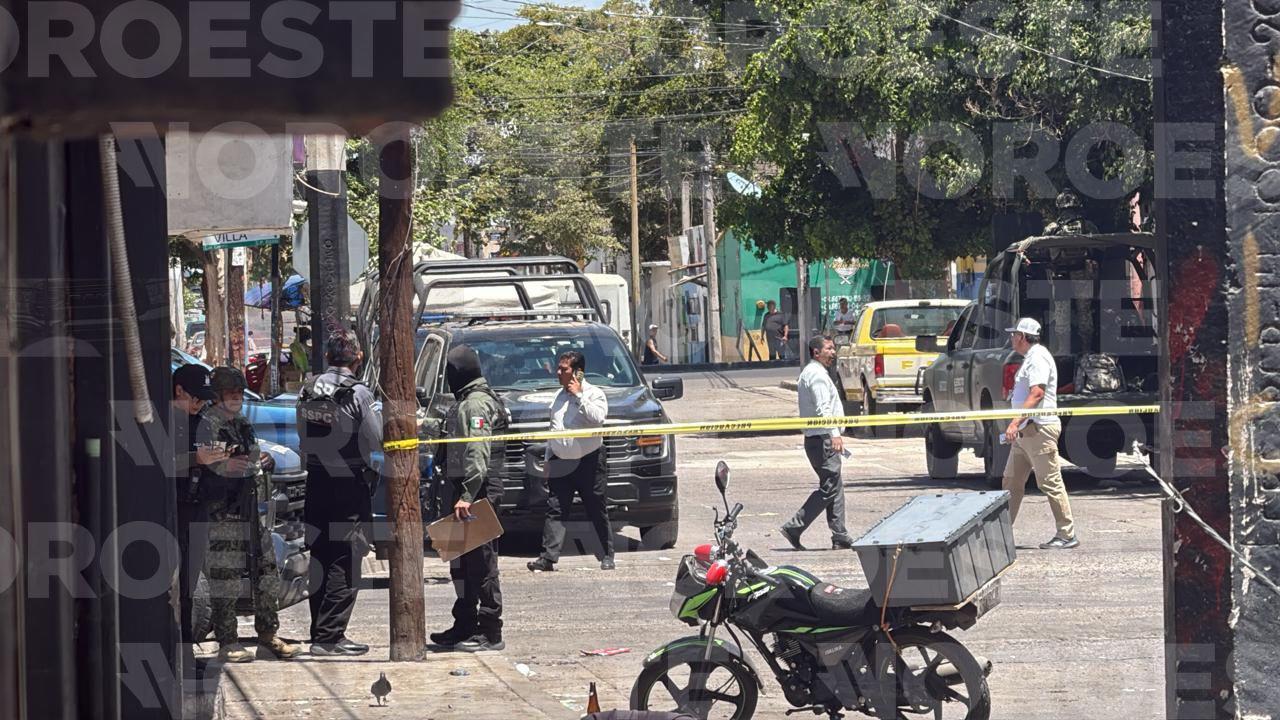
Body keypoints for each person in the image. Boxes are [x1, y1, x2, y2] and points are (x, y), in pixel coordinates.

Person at [201, 367, 302, 662]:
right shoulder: (209, 424)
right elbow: (218, 462)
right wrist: (242, 462)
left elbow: (253, 454)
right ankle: (227, 641)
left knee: (267, 571)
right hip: (224, 512)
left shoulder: (241, 423)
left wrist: (262, 460)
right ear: (218, 395)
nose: (236, 399)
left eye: (239, 394)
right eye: (231, 394)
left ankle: (268, 634)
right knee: (227, 577)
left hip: (249, 508)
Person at [296, 329, 381, 655]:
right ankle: (331, 637)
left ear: (328, 357)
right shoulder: (359, 393)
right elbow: (375, 440)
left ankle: (320, 632)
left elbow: (302, 438)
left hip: (316, 482)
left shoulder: (307, 388)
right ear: (358, 357)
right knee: (346, 559)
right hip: (348, 485)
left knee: (320, 555)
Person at [429, 345, 508, 652]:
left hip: (476, 493)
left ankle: (490, 631)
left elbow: (478, 453)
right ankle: (464, 625)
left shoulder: (475, 405)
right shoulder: (466, 400)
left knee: (481, 564)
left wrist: (467, 495)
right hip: (463, 491)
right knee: (460, 565)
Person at [527, 350, 615, 572]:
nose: (558, 373)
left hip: (589, 462)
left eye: (563, 369)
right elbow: (554, 429)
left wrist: (579, 396)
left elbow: (598, 418)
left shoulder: (594, 394)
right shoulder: (558, 397)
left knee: (596, 507)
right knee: (555, 509)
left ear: (578, 372)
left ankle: (606, 554)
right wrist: (548, 457)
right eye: (559, 368)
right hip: (561, 462)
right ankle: (548, 558)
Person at [1001, 318, 1078, 549]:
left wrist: (1014, 423)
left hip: (1038, 430)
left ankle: (1066, 534)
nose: (1011, 338)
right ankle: (1002, 534)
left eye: (1014, 334)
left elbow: (1036, 394)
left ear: (1022, 337)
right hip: (1025, 433)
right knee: (1011, 482)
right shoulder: (1030, 358)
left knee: (1050, 482)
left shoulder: (1038, 358)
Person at [171, 364, 226, 661]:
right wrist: (196, 458)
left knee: (190, 584)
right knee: (173, 586)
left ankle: (186, 652)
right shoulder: (162, 420)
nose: (200, 405)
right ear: (179, 390)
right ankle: (176, 652)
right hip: (173, 511)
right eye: (195, 398)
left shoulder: (202, 420)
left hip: (198, 509)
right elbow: (156, 463)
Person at [780, 336, 855, 551]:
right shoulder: (817, 376)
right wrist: (834, 435)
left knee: (835, 485)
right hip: (823, 440)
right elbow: (823, 409)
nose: (833, 352)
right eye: (829, 349)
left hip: (820, 439)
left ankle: (840, 534)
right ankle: (795, 527)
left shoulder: (814, 373)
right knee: (830, 486)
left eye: (833, 348)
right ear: (816, 352)